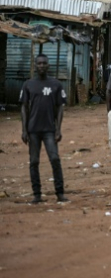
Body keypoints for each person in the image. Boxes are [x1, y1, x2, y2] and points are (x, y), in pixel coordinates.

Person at [20, 54, 68, 204]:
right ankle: (37, 194)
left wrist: (58, 129)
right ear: (35, 65)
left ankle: (59, 193)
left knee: (54, 158)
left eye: (44, 63)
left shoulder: (55, 84)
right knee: (34, 161)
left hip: (49, 130)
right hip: (33, 130)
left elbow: (60, 107)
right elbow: (24, 108)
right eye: (39, 63)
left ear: (48, 65)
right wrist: (24, 129)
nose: (41, 65)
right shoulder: (28, 84)